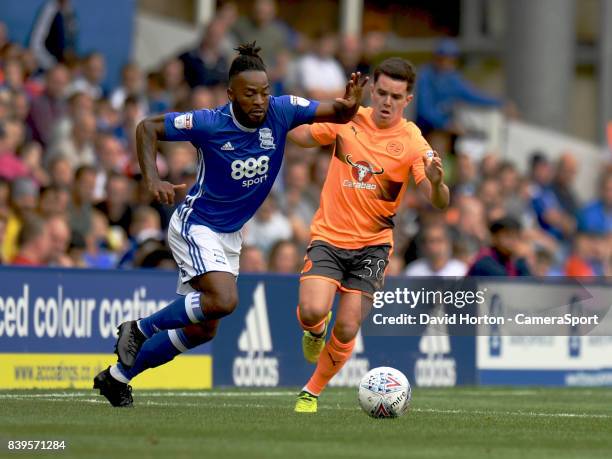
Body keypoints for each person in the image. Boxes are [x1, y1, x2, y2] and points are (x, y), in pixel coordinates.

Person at [93, 42, 367, 407]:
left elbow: (340, 113)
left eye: (264, 92)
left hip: (230, 234)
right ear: (231, 94)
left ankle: (117, 377)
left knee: (203, 328)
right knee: (224, 300)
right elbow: (148, 127)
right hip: (197, 224)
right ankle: (140, 328)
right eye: (250, 93)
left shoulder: (282, 111)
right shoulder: (210, 122)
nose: (259, 100)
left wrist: (350, 101)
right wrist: (152, 179)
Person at [287, 57, 449, 413]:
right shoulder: (348, 119)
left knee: (346, 328)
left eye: (396, 96)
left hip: (373, 247)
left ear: (408, 100)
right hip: (329, 236)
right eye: (382, 93)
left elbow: (437, 200)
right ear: (372, 90)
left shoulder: (412, 141)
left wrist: (437, 183)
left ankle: (311, 391)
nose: (387, 101)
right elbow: (299, 137)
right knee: (313, 311)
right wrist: (293, 111)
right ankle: (314, 330)